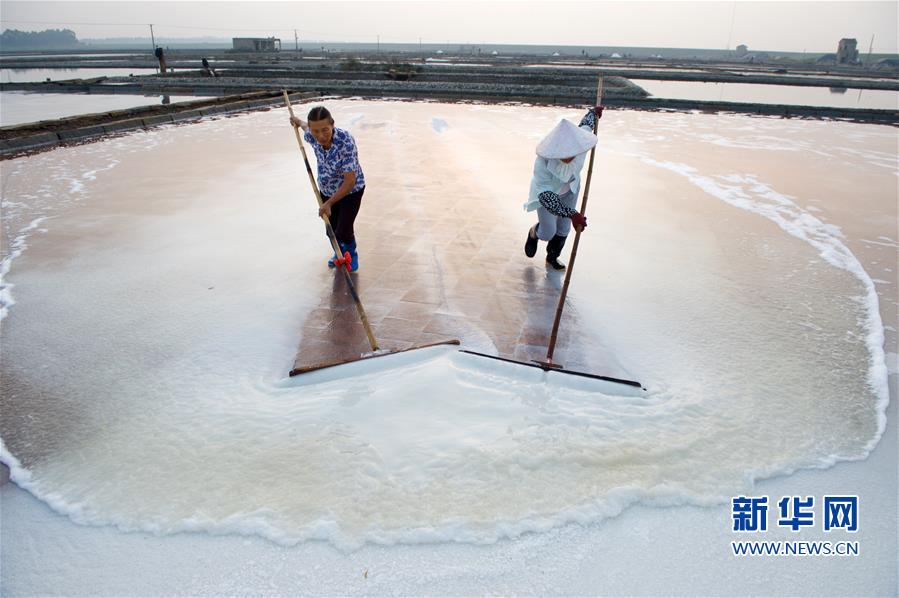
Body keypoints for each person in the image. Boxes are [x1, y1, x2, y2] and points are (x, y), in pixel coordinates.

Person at [523, 107, 601, 270]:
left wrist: (593, 114)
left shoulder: (579, 148)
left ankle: (552, 257)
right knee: (548, 232)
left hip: (570, 189)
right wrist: (572, 214)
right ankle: (533, 232)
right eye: (563, 153)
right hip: (547, 195)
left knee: (564, 228)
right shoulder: (542, 162)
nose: (569, 157)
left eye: (571, 153)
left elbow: (585, 127)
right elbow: (546, 197)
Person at [290, 106, 366, 272]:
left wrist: (329, 203)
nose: (321, 136)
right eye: (316, 131)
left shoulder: (345, 141)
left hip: (350, 191)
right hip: (326, 189)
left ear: (332, 124)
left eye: (325, 130)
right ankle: (339, 253)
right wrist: (297, 121)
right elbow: (305, 126)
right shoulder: (312, 135)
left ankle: (351, 254)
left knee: (343, 229)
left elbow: (350, 181)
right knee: (330, 229)